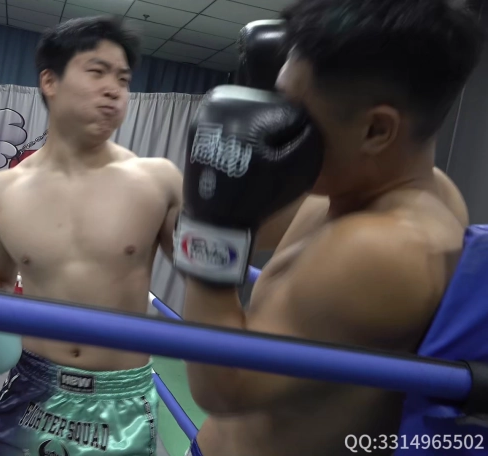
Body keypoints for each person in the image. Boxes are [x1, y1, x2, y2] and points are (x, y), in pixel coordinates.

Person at [171, 1, 485, 455]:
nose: (282, 119)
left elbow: (222, 387)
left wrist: (210, 224)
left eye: (296, 107)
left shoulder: (381, 247)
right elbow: (262, 230)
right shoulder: (363, 184)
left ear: (376, 130)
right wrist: (234, 185)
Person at [0, 16, 183, 456]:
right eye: (97, 72)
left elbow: (208, 274)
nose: (114, 89)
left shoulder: (157, 182)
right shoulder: (4, 190)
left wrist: (223, 210)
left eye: (123, 79)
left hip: (120, 403)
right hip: (34, 388)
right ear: (50, 82)